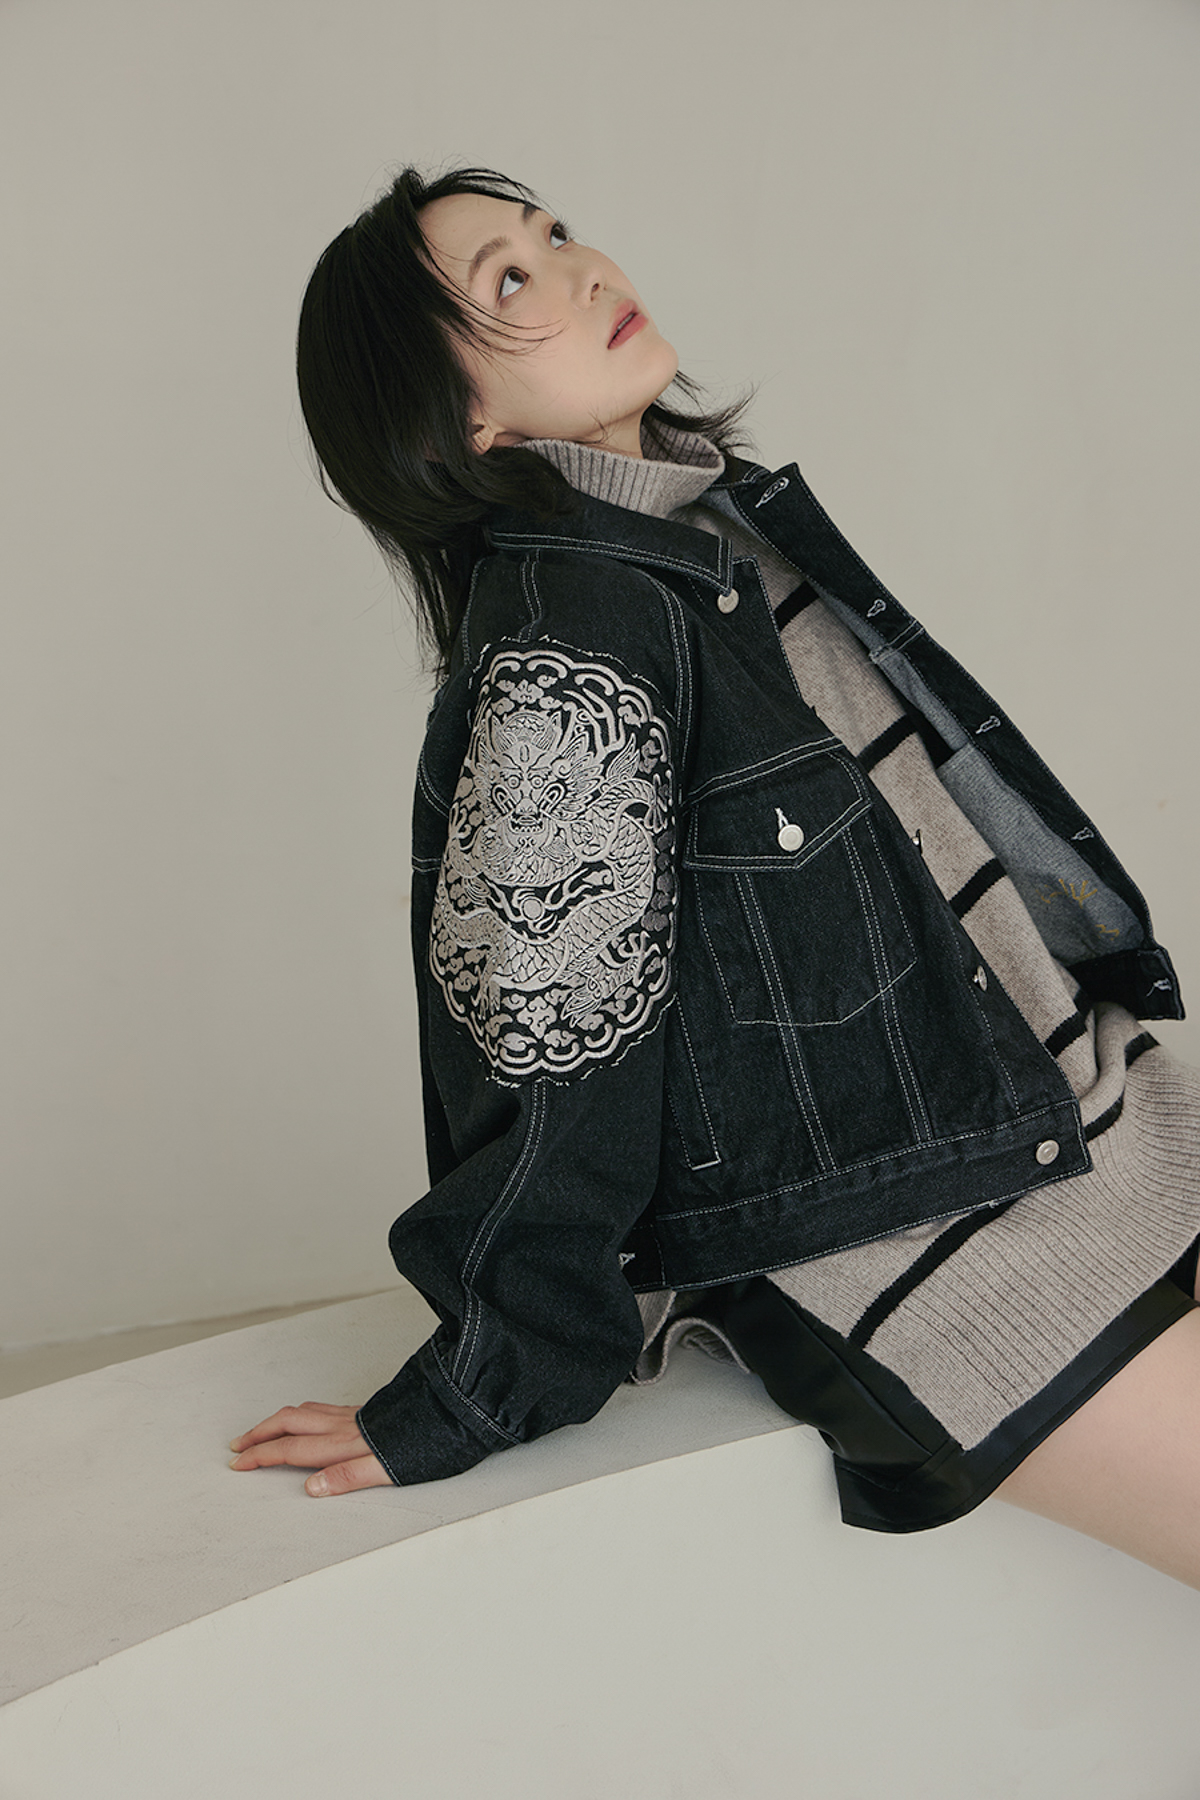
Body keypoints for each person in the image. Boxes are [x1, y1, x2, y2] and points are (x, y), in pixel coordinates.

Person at [230, 167, 1200, 1588]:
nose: (582, 271)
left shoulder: (708, 532)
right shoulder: (572, 651)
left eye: (556, 235)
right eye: (509, 282)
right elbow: (556, 1064)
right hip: (934, 1252)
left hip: (1083, 1121)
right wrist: (482, 1384)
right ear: (461, 421)